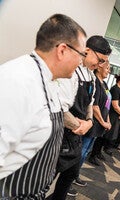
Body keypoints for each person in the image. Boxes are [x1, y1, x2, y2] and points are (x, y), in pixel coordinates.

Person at [0, 14, 86, 199]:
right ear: (62, 50)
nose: (81, 62)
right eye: (81, 54)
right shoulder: (18, 81)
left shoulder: (49, 81)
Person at [51, 35, 111, 199]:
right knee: (46, 179)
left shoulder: (91, 76)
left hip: (77, 137)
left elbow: (90, 103)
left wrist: (90, 121)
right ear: (87, 50)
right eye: (100, 60)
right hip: (60, 134)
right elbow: (59, 109)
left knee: (70, 175)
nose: (99, 65)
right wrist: (79, 126)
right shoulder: (71, 71)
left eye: (103, 62)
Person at [88, 60, 112, 166]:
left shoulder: (105, 84)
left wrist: (108, 120)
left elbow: (107, 105)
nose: (108, 71)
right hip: (94, 122)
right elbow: (95, 106)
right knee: (83, 150)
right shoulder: (95, 83)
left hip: (101, 123)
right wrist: (103, 122)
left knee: (88, 149)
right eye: (107, 68)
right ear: (99, 68)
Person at [104, 75, 120, 155]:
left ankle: (104, 150)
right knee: (107, 134)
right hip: (112, 115)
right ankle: (99, 151)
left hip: (117, 116)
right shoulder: (115, 89)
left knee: (112, 133)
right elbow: (115, 105)